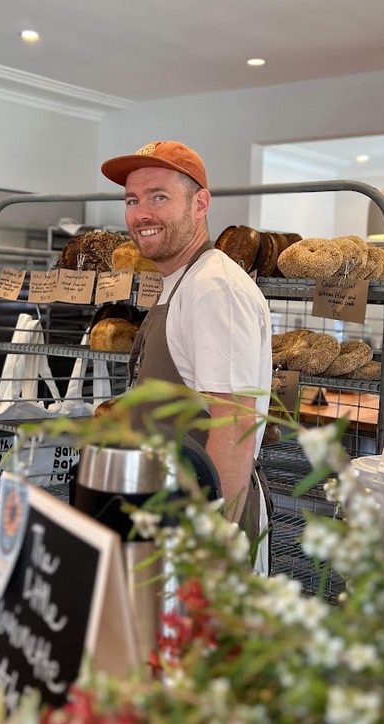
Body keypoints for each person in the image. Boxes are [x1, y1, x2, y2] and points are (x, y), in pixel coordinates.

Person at [101, 141, 273, 573]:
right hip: (166, 516)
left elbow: (234, 423)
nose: (142, 213)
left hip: (200, 531)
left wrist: (210, 547)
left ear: (200, 204)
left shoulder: (213, 289)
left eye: (159, 196)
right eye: (132, 200)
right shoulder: (183, 281)